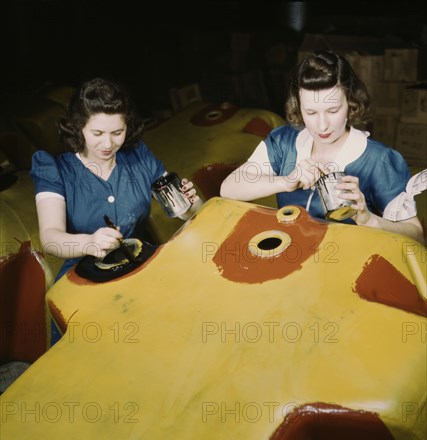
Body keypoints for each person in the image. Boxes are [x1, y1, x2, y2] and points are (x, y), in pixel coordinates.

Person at [30, 77, 203, 343]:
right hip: (85, 282)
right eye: (97, 134)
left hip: (140, 267)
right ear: (78, 128)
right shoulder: (54, 169)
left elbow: (184, 212)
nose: (108, 144)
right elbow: (51, 239)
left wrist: (191, 203)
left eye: (117, 132)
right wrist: (89, 242)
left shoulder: (139, 156)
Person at [220, 50, 424, 244]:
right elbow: (229, 189)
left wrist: (368, 219)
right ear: (298, 106)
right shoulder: (284, 141)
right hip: (291, 261)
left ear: (351, 103)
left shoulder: (379, 160)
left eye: (333, 110)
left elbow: (416, 235)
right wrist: (286, 181)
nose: (322, 125)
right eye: (311, 113)